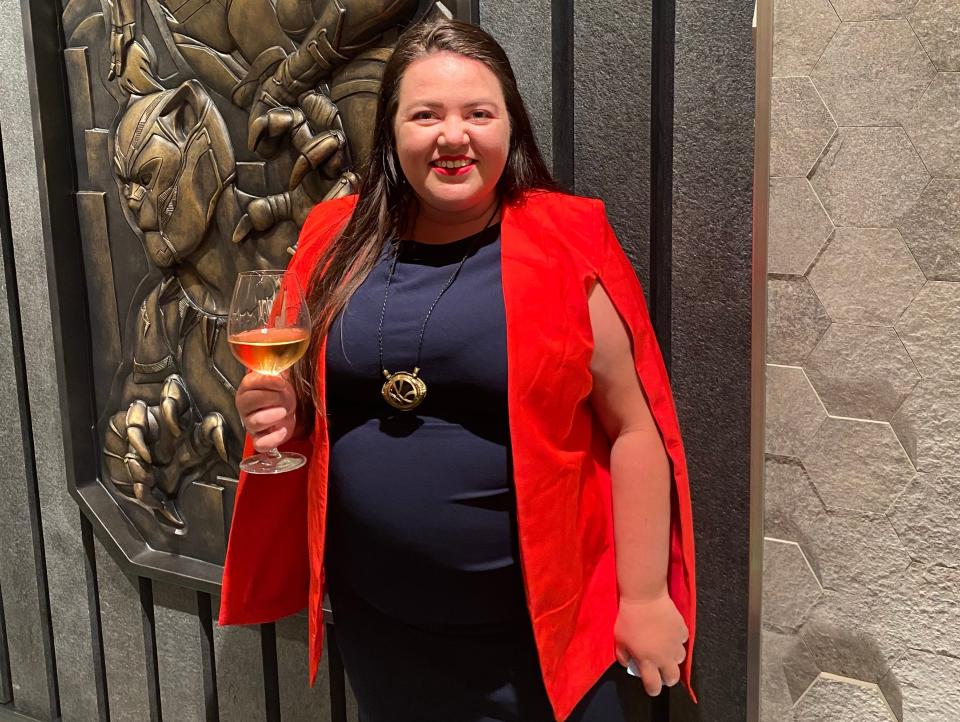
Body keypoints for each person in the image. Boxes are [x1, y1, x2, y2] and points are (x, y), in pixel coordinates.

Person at [219, 18, 697, 722]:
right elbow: (296, 395)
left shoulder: (568, 241)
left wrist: (646, 596)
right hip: (382, 633)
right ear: (391, 133)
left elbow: (634, 428)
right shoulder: (334, 235)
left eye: (478, 113)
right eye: (426, 115)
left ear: (510, 126)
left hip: (538, 643)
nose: (453, 136)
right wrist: (274, 411)